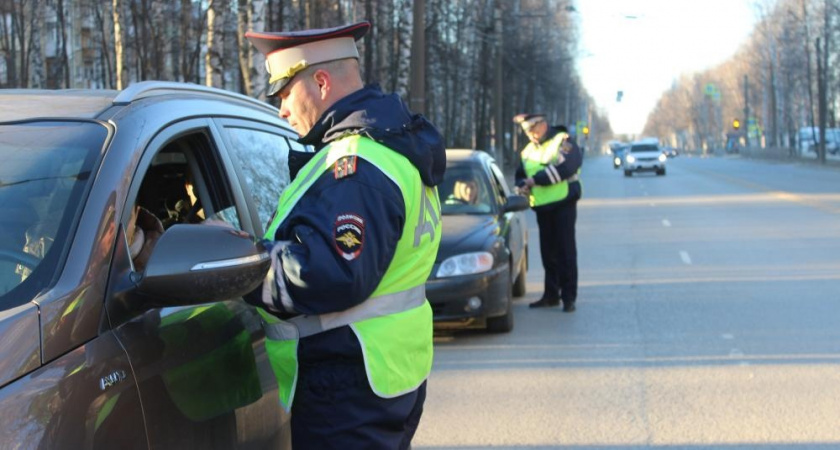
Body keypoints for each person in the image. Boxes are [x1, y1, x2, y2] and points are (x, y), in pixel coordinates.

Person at [244, 21, 445, 449]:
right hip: (383, 374)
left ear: (320, 82)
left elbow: (330, 273)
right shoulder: (390, 147)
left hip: (348, 387)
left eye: (284, 94)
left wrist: (242, 265)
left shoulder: (355, 165)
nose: (282, 111)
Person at [513, 113, 582, 312]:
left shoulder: (563, 141)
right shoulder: (528, 151)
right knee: (548, 253)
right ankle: (551, 295)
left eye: (533, 129)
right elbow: (520, 175)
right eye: (527, 131)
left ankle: (568, 297)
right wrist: (521, 185)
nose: (530, 134)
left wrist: (536, 180)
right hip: (542, 206)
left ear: (543, 124)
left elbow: (568, 167)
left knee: (566, 252)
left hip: (563, 203)